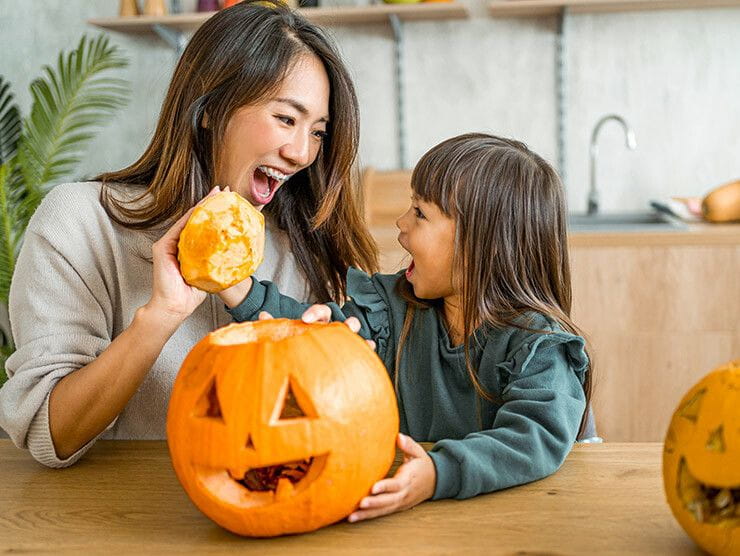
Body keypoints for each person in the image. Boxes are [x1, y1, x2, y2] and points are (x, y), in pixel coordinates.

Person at [0, 1, 377, 467]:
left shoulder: (297, 245)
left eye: (318, 132)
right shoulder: (79, 222)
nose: (302, 153)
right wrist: (161, 316)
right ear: (209, 108)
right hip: (111, 525)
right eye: (285, 118)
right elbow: (47, 433)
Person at [218, 133, 592, 522]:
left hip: (511, 523)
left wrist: (438, 473)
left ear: (483, 246)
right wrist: (236, 288)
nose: (401, 223)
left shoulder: (538, 345)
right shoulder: (392, 311)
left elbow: (535, 438)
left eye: (420, 212)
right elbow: (320, 346)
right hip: (414, 523)